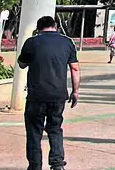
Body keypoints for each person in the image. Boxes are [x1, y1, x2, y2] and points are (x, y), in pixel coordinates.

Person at [17, 16, 80, 170]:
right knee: (55, 129)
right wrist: (75, 91)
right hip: (58, 95)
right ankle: (57, 164)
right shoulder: (67, 42)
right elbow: (75, 68)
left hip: (36, 95)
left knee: (34, 131)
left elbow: (22, 64)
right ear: (55, 26)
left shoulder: (31, 42)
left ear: (38, 29)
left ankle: (35, 166)